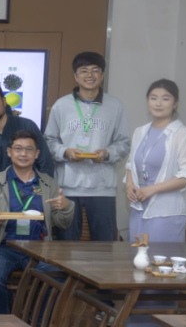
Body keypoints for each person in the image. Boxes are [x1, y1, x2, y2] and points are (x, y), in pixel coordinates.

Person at [123, 80, 186, 327]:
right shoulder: (141, 131)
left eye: (165, 98)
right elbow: (130, 164)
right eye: (153, 97)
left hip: (166, 212)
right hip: (140, 208)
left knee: (161, 268)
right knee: (139, 265)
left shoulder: (183, 135)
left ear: (175, 103)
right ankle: (134, 321)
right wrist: (130, 185)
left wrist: (152, 189)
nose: (158, 103)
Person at [0, 130, 73, 315]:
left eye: (29, 149)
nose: (23, 154)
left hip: (39, 249)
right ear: (9, 152)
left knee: (56, 276)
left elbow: (61, 223)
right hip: (5, 246)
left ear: (36, 154)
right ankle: (2, 321)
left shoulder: (48, 184)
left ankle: (37, 323)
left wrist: (66, 207)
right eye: (18, 149)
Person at [44, 52, 130, 241]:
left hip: (103, 188)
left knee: (105, 245)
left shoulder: (115, 106)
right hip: (67, 187)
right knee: (66, 246)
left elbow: (124, 142)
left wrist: (107, 154)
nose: (90, 75)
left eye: (95, 70)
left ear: (102, 75)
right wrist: (65, 151)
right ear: (76, 76)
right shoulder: (61, 105)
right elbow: (49, 141)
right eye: (84, 71)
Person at [0, 82, 53, 181]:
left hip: (33, 189)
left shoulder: (27, 126)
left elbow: (45, 163)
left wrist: (41, 189)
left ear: (4, 101)